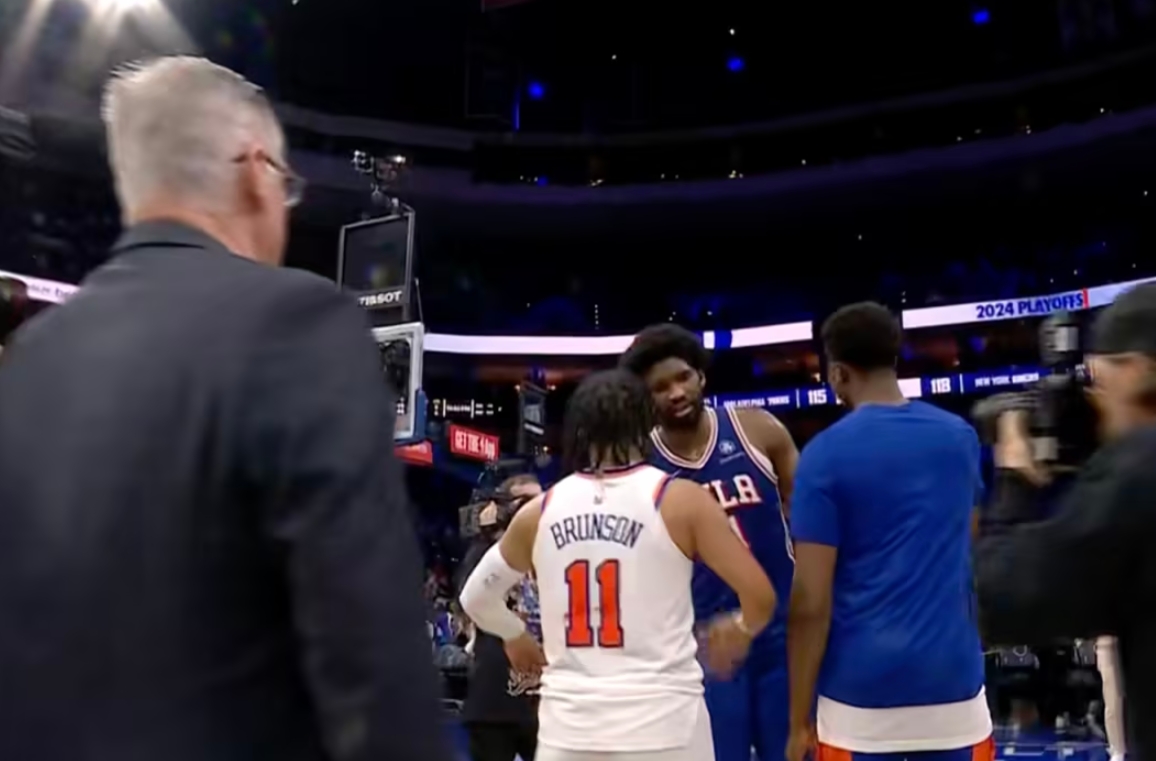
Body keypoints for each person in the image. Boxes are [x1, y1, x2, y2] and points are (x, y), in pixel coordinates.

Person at [0, 57, 448, 761]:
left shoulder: (33, 354)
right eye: (286, 184)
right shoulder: (300, 321)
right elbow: (374, 663)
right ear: (254, 170)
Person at [459, 369, 778, 761]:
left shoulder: (538, 512)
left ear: (578, 432)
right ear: (646, 426)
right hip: (665, 730)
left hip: (570, 735)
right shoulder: (681, 500)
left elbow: (476, 598)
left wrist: (514, 634)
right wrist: (741, 627)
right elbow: (761, 597)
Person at [784, 302, 992, 761]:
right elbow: (969, 547)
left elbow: (810, 602)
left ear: (837, 373)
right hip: (953, 686)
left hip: (859, 698)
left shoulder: (822, 455)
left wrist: (798, 719)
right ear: (894, 359)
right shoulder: (959, 437)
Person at [977, 281, 1156, 761]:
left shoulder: (1140, 469)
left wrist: (1014, 475)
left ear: (1139, 370)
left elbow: (1002, 600)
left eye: (1099, 380)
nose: (1095, 400)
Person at [619, 323, 799, 761]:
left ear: (701, 375)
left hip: (780, 635)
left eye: (683, 377)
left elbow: (808, 522)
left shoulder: (757, 430)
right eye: (660, 387)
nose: (676, 392)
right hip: (705, 644)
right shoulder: (641, 465)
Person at [458, 474, 546, 761]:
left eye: (540, 500)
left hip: (544, 699)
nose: (536, 508)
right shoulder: (486, 554)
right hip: (495, 700)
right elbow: (470, 597)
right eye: (526, 501)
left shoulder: (551, 553)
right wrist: (490, 533)